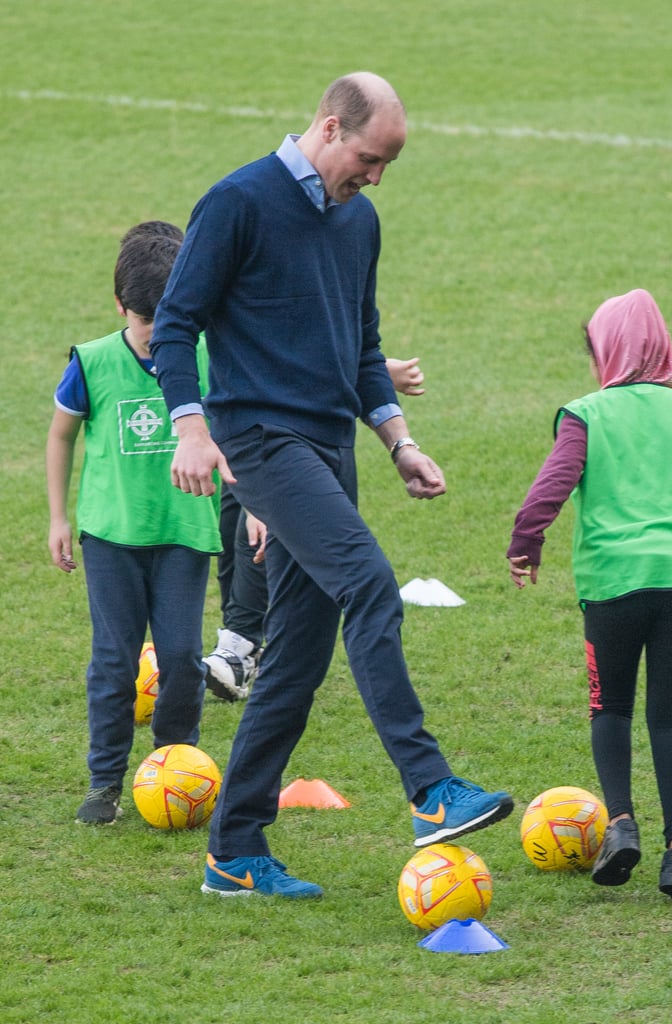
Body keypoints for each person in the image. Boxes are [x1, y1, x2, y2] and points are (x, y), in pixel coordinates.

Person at [150, 71, 513, 898]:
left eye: (387, 166)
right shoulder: (237, 202)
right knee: (372, 584)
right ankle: (430, 791)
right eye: (369, 158)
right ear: (328, 126)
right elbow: (175, 324)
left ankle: (232, 852)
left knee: (296, 661)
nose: (375, 178)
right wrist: (192, 429)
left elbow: (362, 342)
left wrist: (399, 441)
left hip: (330, 450)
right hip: (263, 443)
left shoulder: (359, 220)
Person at [507, 288, 672, 899]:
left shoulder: (586, 412)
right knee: (669, 715)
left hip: (613, 584)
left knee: (610, 706)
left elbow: (553, 484)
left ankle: (620, 824)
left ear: (607, 349)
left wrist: (527, 541)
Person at [46, 226, 222, 824]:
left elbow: (236, 434)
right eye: (145, 322)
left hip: (183, 535)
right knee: (114, 663)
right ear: (119, 306)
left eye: (165, 319)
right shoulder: (92, 361)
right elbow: (60, 435)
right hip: (110, 538)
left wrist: (257, 506)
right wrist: (59, 518)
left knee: (181, 657)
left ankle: (176, 768)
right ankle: (104, 784)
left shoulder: (204, 354)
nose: (153, 337)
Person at [204, 355, 426, 702]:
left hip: (279, 438)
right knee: (237, 514)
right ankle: (239, 643)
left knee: (261, 526)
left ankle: (241, 644)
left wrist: (371, 372)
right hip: (241, 429)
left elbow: (298, 350)